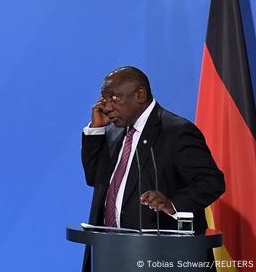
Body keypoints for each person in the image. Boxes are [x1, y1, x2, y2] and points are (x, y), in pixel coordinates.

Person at [80, 66, 224, 271]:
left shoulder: (176, 131)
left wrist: (172, 203)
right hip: (111, 254)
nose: (107, 106)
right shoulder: (113, 131)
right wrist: (96, 131)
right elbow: (96, 179)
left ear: (140, 95)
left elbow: (211, 181)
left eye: (114, 98)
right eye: (104, 99)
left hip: (162, 257)